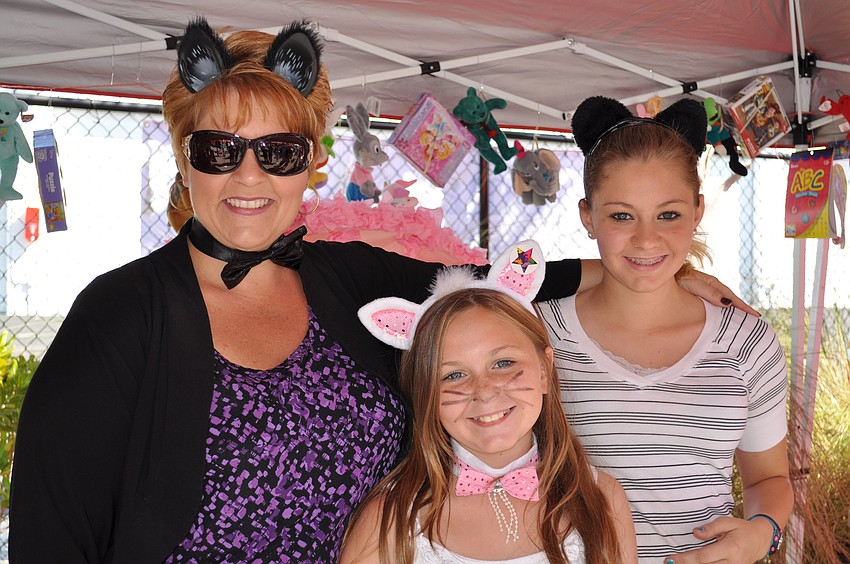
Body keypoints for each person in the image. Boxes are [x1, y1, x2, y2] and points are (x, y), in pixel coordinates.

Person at [8, 18, 750, 562]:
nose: (249, 176)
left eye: (278, 151)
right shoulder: (120, 313)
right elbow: (53, 527)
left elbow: (498, 286)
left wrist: (661, 266)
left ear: (310, 164)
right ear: (185, 155)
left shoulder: (347, 278)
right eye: (219, 150)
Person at [538, 96, 793, 564]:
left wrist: (762, 534)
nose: (646, 239)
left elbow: (768, 480)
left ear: (697, 211)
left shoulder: (748, 342)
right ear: (587, 215)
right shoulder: (536, 331)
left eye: (668, 215)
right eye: (620, 216)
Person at [341, 241, 638, 563]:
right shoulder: (389, 519)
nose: (483, 391)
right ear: (425, 393)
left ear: (544, 369)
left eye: (503, 363)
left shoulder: (601, 499)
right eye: (453, 375)